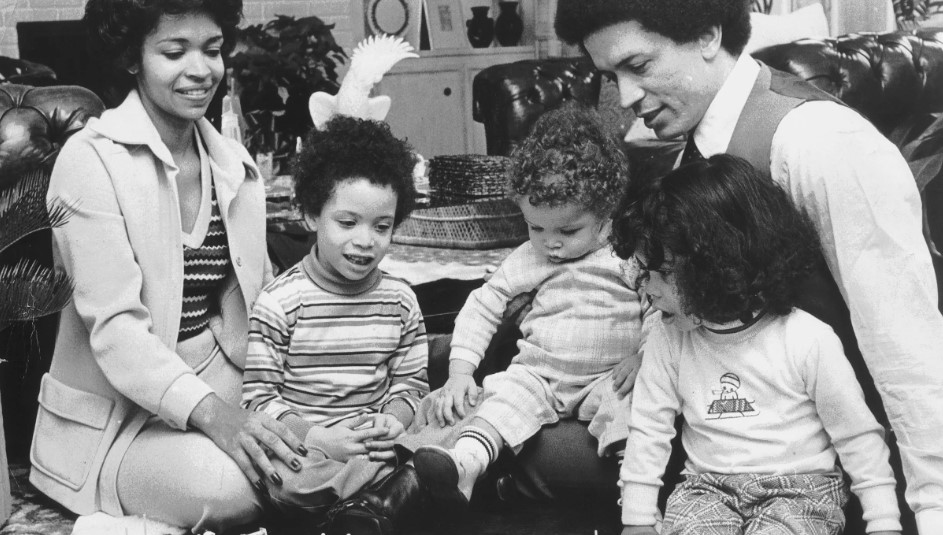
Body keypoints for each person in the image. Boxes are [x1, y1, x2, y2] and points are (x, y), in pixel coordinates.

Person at [554, 1, 943, 531]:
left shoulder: (820, 141)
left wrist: (930, 513)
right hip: (712, 457)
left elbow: (908, 353)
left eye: (639, 67)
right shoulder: (691, 146)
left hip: (825, 473)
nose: (624, 98)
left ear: (709, 35)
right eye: (609, 76)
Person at [28, 0, 309, 532]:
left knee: (321, 440)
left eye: (213, 50)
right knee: (232, 490)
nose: (201, 70)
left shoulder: (234, 164)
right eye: (174, 52)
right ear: (132, 58)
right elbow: (117, 333)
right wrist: (223, 422)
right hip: (119, 423)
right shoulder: (89, 162)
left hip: (223, 380)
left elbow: (265, 301)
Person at [610, 153, 902, 535]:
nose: (648, 290)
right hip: (706, 490)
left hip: (800, 491)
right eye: (645, 273)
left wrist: (883, 522)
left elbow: (857, 436)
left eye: (663, 273)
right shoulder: (669, 338)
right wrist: (637, 519)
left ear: (721, 267)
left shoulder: (806, 339)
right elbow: (648, 430)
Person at [398, 103, 643, 508]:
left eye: (568, 230)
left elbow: (658, 307)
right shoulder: (530, 257)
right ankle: (466, 464)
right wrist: (460, 372)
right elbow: (483, 304)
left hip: (607, 377)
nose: (550, 242)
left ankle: (632, 484)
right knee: (501, 397)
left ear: (607, 212)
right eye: (535, 227)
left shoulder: (628, 253)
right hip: (540, 376)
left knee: (635, 406)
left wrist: (644, 355)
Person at [240, 115, 431, 535]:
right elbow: (258, 400)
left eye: (382, 227)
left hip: (376, 441)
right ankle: (388, 495)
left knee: (453, 426)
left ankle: (376, 498)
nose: (365, 240)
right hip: (311, 448)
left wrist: (394, 420)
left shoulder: (400, 300)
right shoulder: (280, 302)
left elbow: (412, 384)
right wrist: (319, 438)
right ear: (310, 215)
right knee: (281, 477)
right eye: (347, 223)